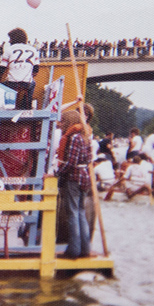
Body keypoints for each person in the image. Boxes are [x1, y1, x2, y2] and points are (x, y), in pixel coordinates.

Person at [56, 103, 94, 258]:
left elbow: (71, 162)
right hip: (85, 177)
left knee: (72, 214)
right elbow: (89, 159)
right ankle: (85, 249)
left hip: (74, 178)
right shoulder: (87, 137)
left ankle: (73, 250)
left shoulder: (75, 138)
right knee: (81, 213)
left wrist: (58, 173)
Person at [0, 27, 40, 109]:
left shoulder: (9, 50)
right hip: (27, 83)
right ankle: (25, 106)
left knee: (2, 86)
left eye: (10, 39)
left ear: (14, 38)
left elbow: (1, 69)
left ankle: (7, 106)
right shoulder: (34, 50)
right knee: (32, 84)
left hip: (11, 83)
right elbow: (36, 71)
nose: (9, 41)